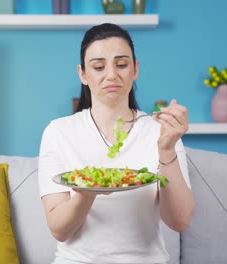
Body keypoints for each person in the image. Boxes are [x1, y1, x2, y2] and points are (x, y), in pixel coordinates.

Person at [38, 23, 194, 264]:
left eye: (121, 65)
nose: (111, 74)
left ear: (135, 69)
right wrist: (88, 192)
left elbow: (179, 220)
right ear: (83, 74)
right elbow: (59, 229)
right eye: (99, 67)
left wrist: (166, 150)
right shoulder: (58, 132)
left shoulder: (160, 131)